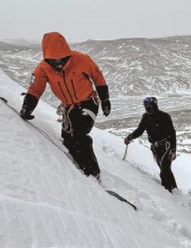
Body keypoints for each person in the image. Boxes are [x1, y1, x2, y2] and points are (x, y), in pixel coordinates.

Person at [20, 32, 110, 179]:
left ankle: (92, 171)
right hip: (69, 107)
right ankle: (77, 164)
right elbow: (35, 89)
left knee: (79, 134)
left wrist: (105, 100)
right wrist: (27, 107)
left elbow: (98, 78)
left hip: (88, 102)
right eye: (54, 61)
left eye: (62, 59)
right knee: (68, 138)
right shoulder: (43, 69)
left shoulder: (82, 60)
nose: (59, 64)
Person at [124, 97, 177, 192]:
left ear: (154, 106)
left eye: (149, 106)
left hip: (166, 146)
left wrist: (173, 149)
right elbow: (140, 130)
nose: (147, 108)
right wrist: (130, 137)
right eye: (146, 107)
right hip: (155, 148)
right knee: (164, 169)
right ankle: (174, 190)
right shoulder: (145, 117)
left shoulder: (165, 116)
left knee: (165, 169)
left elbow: (172, 133)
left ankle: (168, 191)